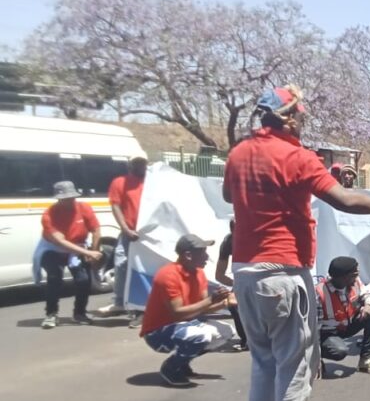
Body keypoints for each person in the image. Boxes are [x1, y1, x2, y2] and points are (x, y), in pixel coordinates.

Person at [224, 84, 370, 401]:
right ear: (288, 117)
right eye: (302, 114)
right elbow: (344, 199)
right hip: (282, 270)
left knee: (263, 359)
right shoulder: (297, 157)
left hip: (245, 271)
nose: (304, 120)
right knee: (295, 361)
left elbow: (232, 197)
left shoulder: (239, 153)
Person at [140, 234, 234, 387]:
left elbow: (202, 308)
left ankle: (182, 362)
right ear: (188, 255)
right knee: (200, 336)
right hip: (158, 333)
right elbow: (177, 312)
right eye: (202, 252)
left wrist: (226, 302)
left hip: (183, 324)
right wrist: (211, 299)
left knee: (226, 332)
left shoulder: (199, 274)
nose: (207, 256)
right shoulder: (168, 275)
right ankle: (170, 368)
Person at [37, 181, 102, 329]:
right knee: (54, 279)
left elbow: (96, 230)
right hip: (53, 249)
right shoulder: (49, 215)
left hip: (78, 247)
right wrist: (87, 252)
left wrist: (94, 250)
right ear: (59, 198)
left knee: (83, 280)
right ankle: (51, 314)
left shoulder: (84, 208)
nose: (69, 201)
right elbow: (60, 241)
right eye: (65, 198)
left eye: (72, 197)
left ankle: (79, 313)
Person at [316, 256, 370, 375]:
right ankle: (314, 359)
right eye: (354, 274)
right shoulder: (319, 294)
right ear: (343, 277)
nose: (357, 276)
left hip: (346, 325)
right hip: (326, 334)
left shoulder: (355, 282)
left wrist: (368, 306)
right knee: (339, 351)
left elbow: (369, 294)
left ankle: (365, 360)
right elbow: (312, 330)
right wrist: (315, 359)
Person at [97, 155, 147, 324]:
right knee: (121, 264)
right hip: (129, 232)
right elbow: (116, 206)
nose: (140, 166)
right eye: (137, 163)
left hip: (149, 234)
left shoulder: (153, 182)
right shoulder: (119, 182)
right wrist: (125, 229)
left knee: (143, 269)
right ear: (130, 165)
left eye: (142, 163)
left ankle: (141, 307)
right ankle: (120, 302)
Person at [214, 220, 247, 351]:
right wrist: (237, 285)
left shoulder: (259, 238)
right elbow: (219, 275)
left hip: (264, 273)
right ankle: (246, 340)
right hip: (243, 278)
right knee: (234, 305)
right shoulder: (228, 242)